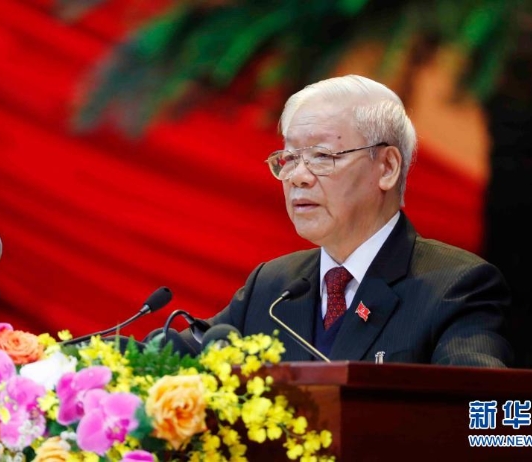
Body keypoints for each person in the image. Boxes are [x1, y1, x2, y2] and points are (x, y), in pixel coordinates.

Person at [170, 74, 514, 368]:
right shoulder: (273, 287)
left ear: (387, 167)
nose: (298, 176)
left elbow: (475, 406)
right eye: (289, 158)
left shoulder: (454, 287)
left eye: (321, 156)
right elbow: (174, 359)